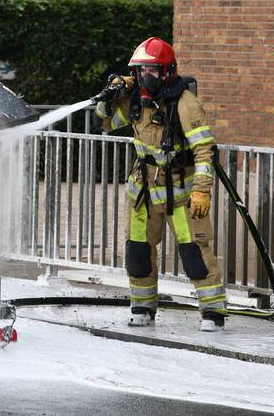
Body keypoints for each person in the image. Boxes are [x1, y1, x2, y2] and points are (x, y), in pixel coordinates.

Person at [93, 37, 227, 332]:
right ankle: (142, 308)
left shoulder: (185, 104)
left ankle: (212, 313)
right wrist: (108, 97)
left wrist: (202, 189)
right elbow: (106, 123)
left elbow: (205, 150)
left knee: (195, 253)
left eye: (151, 70)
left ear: (167, 71)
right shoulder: (136, 101)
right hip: (142, 193)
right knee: (138, 251)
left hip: (180, 194)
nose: (145, 77)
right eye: (140, 71)